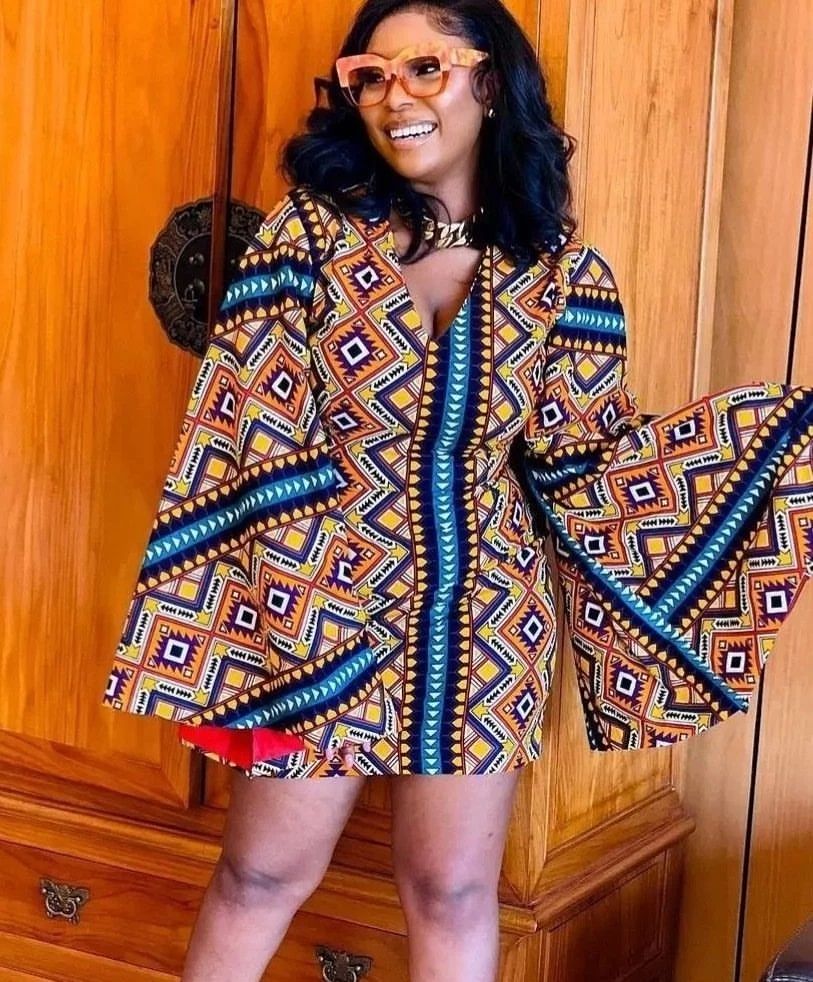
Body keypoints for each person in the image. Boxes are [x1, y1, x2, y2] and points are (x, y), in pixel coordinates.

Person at [99, 1, 813, 979]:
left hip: (482, 625)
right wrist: (310, 614)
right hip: (308, 601)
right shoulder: (306, 244)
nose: (395, 96)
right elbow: (248, 431)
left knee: (452, 893)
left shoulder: (562, 277)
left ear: (490, 82)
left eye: (425, 68)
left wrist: (773, 445)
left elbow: (581, 463)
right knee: (260, 875)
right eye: (370, 76)